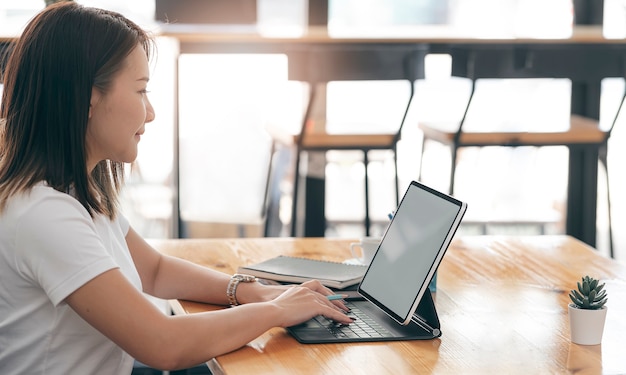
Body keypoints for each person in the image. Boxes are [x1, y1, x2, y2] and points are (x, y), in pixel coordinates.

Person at [0, 3, 353, 374]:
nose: (150, 112)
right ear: (89, 97)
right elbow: (163, 343)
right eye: (140, 91)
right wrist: (277, 310)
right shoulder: (44, 213)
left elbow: (154, 270)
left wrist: (251, 290)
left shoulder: (73, 187)